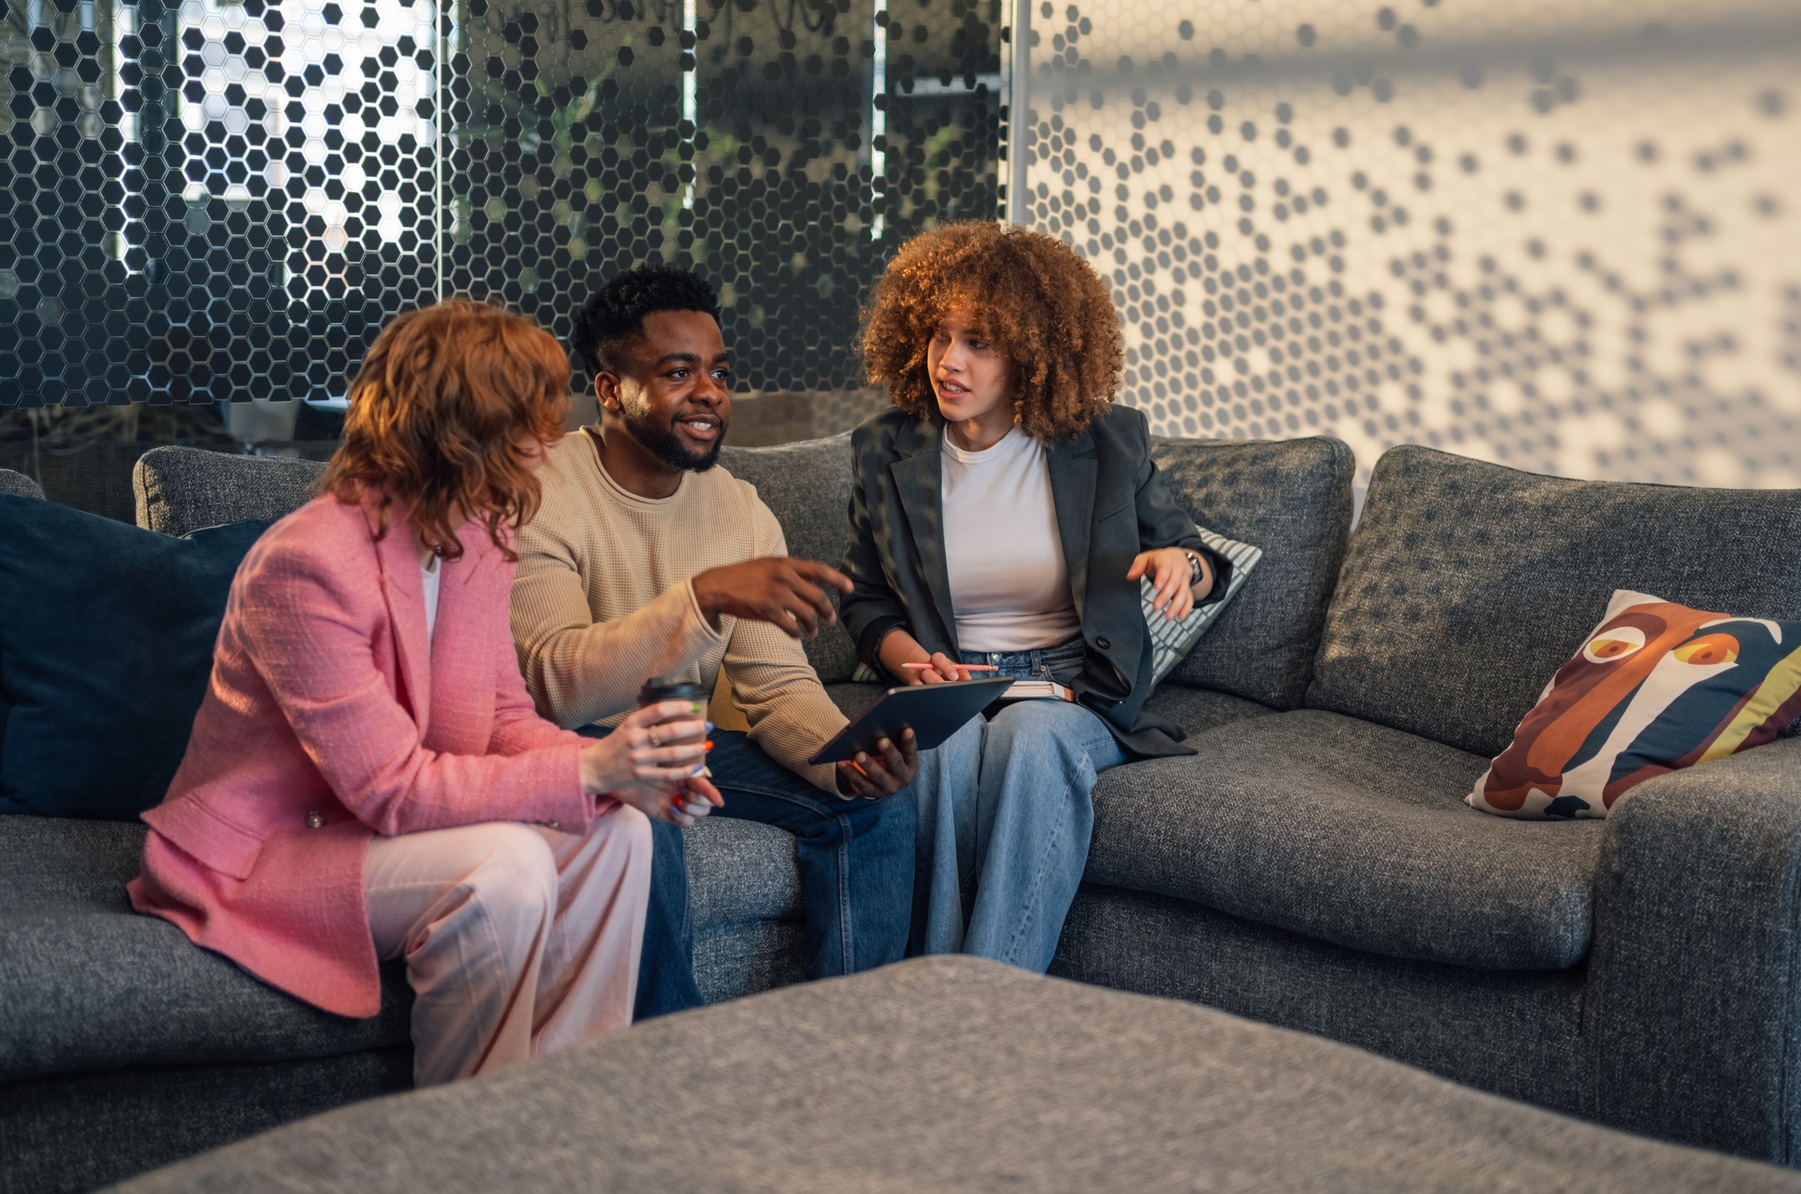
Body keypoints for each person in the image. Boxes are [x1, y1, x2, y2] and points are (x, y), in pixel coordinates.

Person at [128, 300, 718, 1087]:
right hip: (276, 850)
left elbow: (506, 716)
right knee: (504, 866)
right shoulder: (306, 566)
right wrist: (589, 771)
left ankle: (565, 1112)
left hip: (380, 830)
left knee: (623, 834)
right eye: (526, 427)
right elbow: (389, 789)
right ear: (460, 431)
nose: (547, 447)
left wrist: (627, 773)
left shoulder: (479, 533)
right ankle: (462, 1147)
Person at [510, 263, 921, 1018]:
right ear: (609, 391)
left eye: (719, 372)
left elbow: (778, 687)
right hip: (565, 751)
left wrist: (848, 753)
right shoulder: (540, 490)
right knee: (640, 808)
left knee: (877, 804)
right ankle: (667, 1059)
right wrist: (702, 599)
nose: (710, 392)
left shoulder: (739, 509)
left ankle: (846, 1045)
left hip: (679, 739)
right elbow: (554, 685)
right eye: (678, 372)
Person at [842, 222, 1232, 973]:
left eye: (981, 342)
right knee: (941, 749)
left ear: (1033, 352)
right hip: (951, 680)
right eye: (938, 336)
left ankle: (987, 1003)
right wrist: (911, 660)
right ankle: (928, 991)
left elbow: (1200, 556)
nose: (949, 362)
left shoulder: (1109, 442)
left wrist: (1182, 564)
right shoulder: (886, 450)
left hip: (1070, 686)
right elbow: (863, 599)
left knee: (1029, 738)